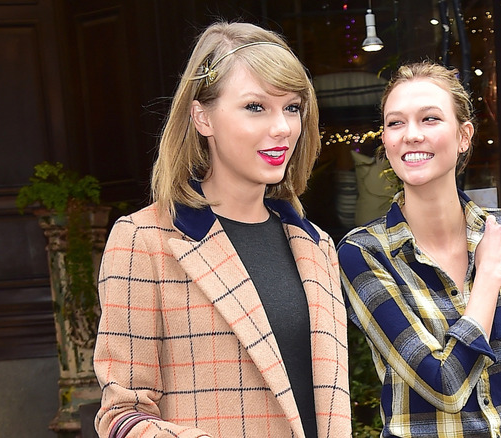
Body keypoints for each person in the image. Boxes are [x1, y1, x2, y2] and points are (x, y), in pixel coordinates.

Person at [93, 21, 351, 438]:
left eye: (292, 107)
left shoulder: (316, 245)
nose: (282, 127)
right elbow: (122, 415)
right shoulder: (144, 240)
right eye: (255, 107)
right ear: (203, 117)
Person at [337, 62, 501, 437]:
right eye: (396, 123)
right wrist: (487, 277)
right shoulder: (363, 253)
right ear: (386, 140)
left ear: (464, 136)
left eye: (430, 119)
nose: (411, 135)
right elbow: (444, 386)